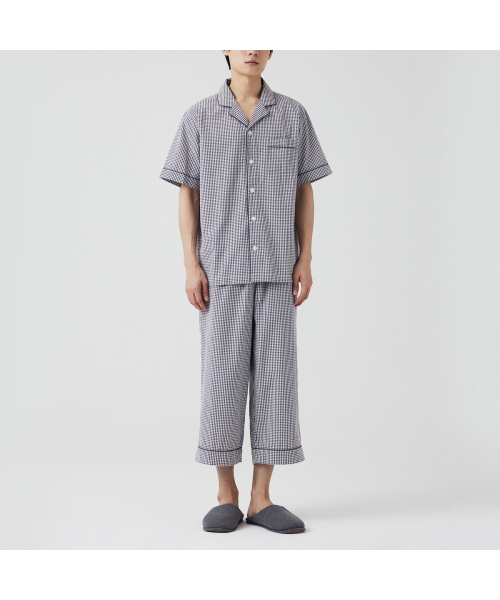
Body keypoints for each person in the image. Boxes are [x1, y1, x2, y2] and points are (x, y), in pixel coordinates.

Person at [160, 50, 332, 534]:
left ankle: (261, 497)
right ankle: (226, 494)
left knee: (276, 380)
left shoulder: (293, 115)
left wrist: (305, 257)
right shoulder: (198, 118)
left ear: (272, 50)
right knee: (222, 379)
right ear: (225, 48)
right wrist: (191, 264)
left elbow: (304, 188)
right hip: (221, 269)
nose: (252, 49)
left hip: (277, 268)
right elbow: (187, 192)